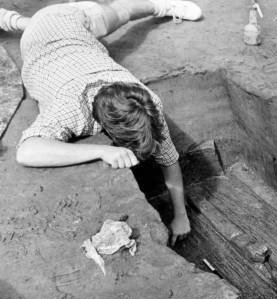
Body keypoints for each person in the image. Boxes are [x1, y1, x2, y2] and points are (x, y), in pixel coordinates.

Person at [0, 0, 203, 245]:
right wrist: (101, 149)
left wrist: (181, 215)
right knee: (42, 24)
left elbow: (169, 158)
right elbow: (26, 151)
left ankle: (160, 6)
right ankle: (11, 19)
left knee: (111, 16)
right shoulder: (71, 108)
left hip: (74, 26)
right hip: (46, 34)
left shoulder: (145, 99)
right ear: (104, 126)